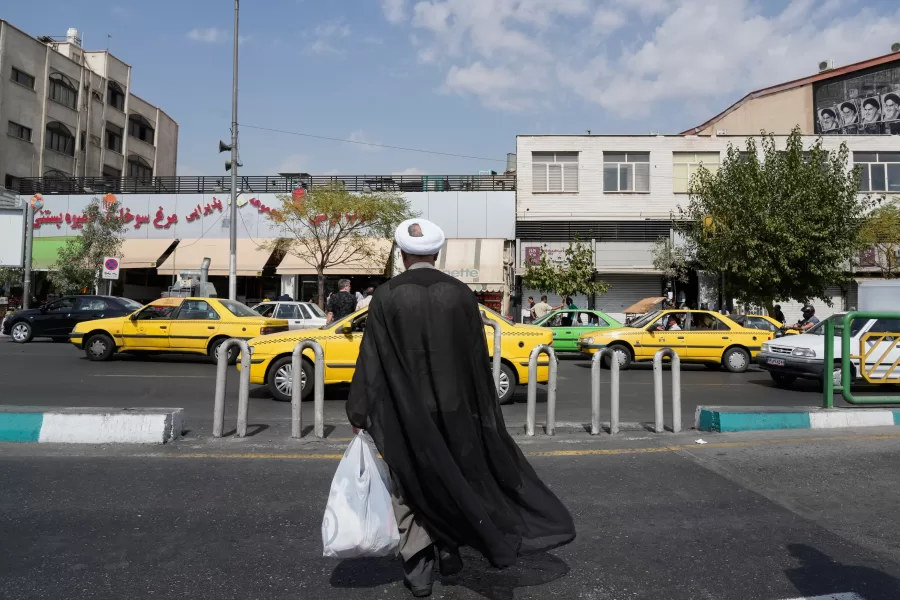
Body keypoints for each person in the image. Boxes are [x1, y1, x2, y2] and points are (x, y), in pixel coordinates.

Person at [346, 218, 575, 597]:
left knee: (410, 483)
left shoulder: (386, 296)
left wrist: (359, 411)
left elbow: (372, 359)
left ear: (402, 254)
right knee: (452, 475)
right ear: (437, 253)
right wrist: (482, 412)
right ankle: (449, 549)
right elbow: (476, 360)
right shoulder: (460, 294)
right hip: (454, 409)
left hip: (405, 412)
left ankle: (420, 567)